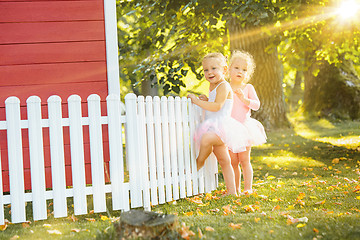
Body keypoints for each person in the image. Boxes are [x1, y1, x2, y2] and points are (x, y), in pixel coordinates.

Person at [187, 52, 249, 196]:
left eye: (214, 68)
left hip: (222, 127)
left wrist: (197, 101)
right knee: (224, 160)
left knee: (207, 139)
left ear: (225, 70)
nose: (209, 72)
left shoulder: (223, 85)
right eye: (206, 70)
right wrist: (206, 99)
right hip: (214, 125)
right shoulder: (213, 86)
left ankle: (200, 161)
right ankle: (232, 191)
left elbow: (218, 106)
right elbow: (214, 102)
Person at [228, 50, 267, 195]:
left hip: (244, 128)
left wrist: (244, 99)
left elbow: (256, 105)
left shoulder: (248, 88)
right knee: (233, 162)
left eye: (244, 70)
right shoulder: (225, 87)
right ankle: (235, 188)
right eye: (237, 68)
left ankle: (248, 188)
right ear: (229, 69)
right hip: (230, 129)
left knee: (244, 159)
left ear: (248, 73)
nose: (240, 71)